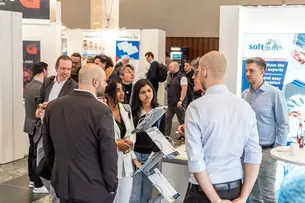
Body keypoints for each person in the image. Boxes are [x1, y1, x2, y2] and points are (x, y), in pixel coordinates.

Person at [184, 51, 262, 203]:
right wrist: (243, 197)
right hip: (235, 190)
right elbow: (253, 155)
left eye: (198, 71)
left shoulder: (196, 108)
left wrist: (216, 200)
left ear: (204, 71)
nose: (196, 76)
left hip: (203, 193)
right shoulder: (244, 107)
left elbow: (195, 159)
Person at [43, 64, 118, 203]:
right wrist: (112, 184)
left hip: (63, 185)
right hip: (94, 188)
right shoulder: (102, 111)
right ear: (95, 82)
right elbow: (108, 153)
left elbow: (48, 147)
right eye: (104, 80)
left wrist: (57, 173)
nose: (106, 84)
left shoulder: (53, 106)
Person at [242, 57, 289, 203]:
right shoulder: (244, 95)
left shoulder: (274, 93)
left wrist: (275, 151)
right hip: (248, 152)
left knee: (267, 195)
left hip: (266, 152)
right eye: (246, 70)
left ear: (262, 71)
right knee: (254, 195)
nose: (248, 74)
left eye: (251, 70)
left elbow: (283, 124)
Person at [35, 55, 78, 203]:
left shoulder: (74, 86)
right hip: (43, 128)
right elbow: (40, 100)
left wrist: (53, 109)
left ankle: (57, 197)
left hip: (60, 133)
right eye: (63, 68)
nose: (66, 72)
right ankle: (56, 194)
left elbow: (72, 111)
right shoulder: (48, 82)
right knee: (40, 168)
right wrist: (39, 108)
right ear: (56, 68)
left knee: (56, 167)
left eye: (68, 68)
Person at [129, 79, 166, 203]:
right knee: (134, 194)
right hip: (135, 156)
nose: (147, 95)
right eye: (143, 92)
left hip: (152, 157)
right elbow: (128, 137)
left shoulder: (159, 111)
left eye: (149, 91)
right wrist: (134, 158)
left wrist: (153, 154)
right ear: (137, 95)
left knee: (147, 193)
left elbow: (162, 135)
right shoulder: (132, 113)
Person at [105, 80, 136, 203]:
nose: (122, 93)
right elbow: (100, 136)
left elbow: (132, 131)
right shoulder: (103, 111)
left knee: (125, 199)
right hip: (110, 163)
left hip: (126, 162)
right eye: (118, 90)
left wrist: (130, 143)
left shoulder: (126, 109)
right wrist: (117, 143)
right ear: (108, 94)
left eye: (122, 90)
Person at [23, 62, 48, 193]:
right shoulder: (38, 87)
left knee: (32, 153)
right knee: (36, 154)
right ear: (44, 70)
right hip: (35, 125)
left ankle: (33, 181)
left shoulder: (28, 86)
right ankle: (37, 183)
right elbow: (40, 109)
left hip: (29, 123)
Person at [165, 62, 188, 138]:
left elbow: (184, 89)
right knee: (168, 118)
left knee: (182, 120)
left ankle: (184, 136)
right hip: (171, 103)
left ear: (175, 67)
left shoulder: (182, 77)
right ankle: (166, 136)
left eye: (170, 67)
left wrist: (181, 100)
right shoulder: (170, 76)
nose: (169, 68)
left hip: (178, 103)